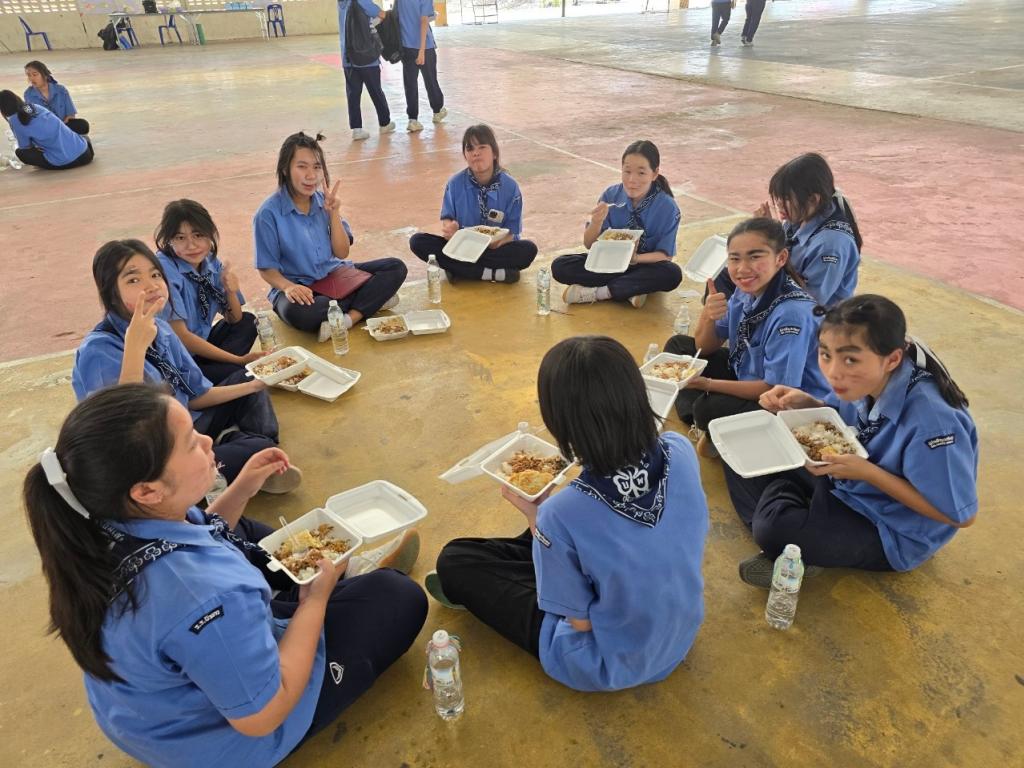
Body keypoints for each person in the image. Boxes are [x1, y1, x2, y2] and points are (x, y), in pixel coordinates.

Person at [23, 383, 426, 768]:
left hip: (152, 718)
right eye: (190, 443)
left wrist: (243, 488)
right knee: (395, 596)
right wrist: (314, 602)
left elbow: (205, 535)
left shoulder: (101, 519)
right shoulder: (206, 597)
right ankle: (332, 583)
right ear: (146, 491)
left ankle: (326, 583)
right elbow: (263, 715)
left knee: (238, 531)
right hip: (228, 743)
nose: (208, 441)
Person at [428, 336, 708, 692]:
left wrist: (536, 518)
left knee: (457, 560)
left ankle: (506, 581)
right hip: (677, 634)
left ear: (558, 422)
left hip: (606, 659)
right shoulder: (680, 449)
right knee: (553, 536)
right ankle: (546, 566)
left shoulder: (562, 513)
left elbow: (581, 624)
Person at [725, 295, 978, 587]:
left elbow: (959, 516)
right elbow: (839, 418)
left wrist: (868, 473)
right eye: (825, 355)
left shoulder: (933, 424)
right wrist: (807, 403)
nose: (833, 372)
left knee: (774, 528)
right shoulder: (867, 379)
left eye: (850, 359)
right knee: (742, 452)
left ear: (892, 359)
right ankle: (796, 539)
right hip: (844, 482)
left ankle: (789, 532)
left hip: (888, 526)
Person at [72, 240, 296, 489]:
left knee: (248, 379)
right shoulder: (99, 351)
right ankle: (231, 459)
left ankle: (234, 454)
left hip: (187, 425)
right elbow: (123, 435)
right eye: (133, 280)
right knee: (259, 450)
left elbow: (195, 397)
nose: (152, 285)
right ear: (110, 292)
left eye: (155, 275)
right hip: (154, 454)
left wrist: (257, 384)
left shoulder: (162, 329)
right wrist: (135, 348)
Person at [665, 218, 829, 458]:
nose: (742, 268)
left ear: (781, 258)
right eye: (735, 258)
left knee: (710, 406)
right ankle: (709, 426)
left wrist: (708, 384)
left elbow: (775, 389)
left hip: (782, 402)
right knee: (679, 348)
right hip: (744, 371)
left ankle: (710, 421)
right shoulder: (745, 291)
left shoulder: (792, 314)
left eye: (755, 257)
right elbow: (704, 347)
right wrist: (708, 316)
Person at [254, 131, 407, 341]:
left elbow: (342, 252)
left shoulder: (324, 201)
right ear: (285, 169)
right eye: (302, 166)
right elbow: (266, 269)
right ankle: (370, 302)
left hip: (334, 276)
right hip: (300, 288)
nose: (311, 175)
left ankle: (348, 319)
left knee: (395, 267)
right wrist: (288, 287)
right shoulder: (268, 214)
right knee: (304, 312)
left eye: (317, 167)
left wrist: (334, 213)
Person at [713, 152, 862, 307]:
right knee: (724, 278)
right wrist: (768, 231)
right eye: (777, 197)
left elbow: (808, 301)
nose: (779, 204)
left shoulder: (831, 245)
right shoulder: (801, 217)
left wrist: (766, 240)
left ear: (813, 199)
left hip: (809, 314)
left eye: (786, 199)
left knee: (739, 293)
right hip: (787, 289)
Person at [552, 140, 682, 310]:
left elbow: (665, 256)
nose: (632, 180)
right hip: (608, 263)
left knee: (672, 273)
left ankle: (601, 292)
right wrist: (596, 223)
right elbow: (589, 244)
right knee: (560, 265)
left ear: (654, 173)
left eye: (641, 173)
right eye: (627, 171)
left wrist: (635, 259)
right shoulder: (611, 195)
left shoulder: (667, 207)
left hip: (644, 266)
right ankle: (630, 290)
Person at [408, 124, 538, 283]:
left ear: (494, 153)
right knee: (418, 242)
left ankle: (460, 270)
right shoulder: (455, 184)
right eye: (470, 149)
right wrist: (451, 231)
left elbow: (511, 233)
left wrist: (494, 244)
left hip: (497, 249)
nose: (476, 153)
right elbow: (448, 220)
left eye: (482, 147)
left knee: (528, 250)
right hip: (463, 247)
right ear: (465, 155)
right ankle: (492, 274)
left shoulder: (510, 187)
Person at [155, 199, 261, 383]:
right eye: (180, 238)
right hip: (177, 358)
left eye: (198, 235)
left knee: (248, 321)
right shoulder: (164, 273)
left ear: (210, 233)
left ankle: (214, 373)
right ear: (169, 240)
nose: (191, 245)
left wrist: (230, 291)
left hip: (201, 345)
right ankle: (208, 376)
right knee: (241, 375)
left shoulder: (209, 261)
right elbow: (182, 337)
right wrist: (238, 360)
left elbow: (234, 319)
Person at [338, 0, 395, 141]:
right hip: (366, 57)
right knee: (376, 91)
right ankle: (384, 123)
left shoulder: (341, 3)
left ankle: (357, 129)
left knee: (353, 94)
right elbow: (382, 15)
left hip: (348, 57)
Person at [0, 90, 93, 171]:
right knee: (80, 136)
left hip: (64, 162)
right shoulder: (34, 106)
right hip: (86, 153)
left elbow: (26, 147)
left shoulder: (15, 121)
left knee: (21, 153)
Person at [392, 0, 446, 132]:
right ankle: (437, 111)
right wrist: (421, 50)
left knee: (410, 84)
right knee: (431, 80)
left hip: (406, 47)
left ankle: (412, 119)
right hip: (425, 47)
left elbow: (395, 17)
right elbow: (424, 21)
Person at [23, 60, 89, 135]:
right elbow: (31, 118)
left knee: (83, 125)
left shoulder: (61, 90)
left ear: (45, 75)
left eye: (35, 75)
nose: (31, 78)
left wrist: (60, 128)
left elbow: (70, 115)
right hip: (44, 129)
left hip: (63, 126)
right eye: (28, 75)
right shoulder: (28, 94)